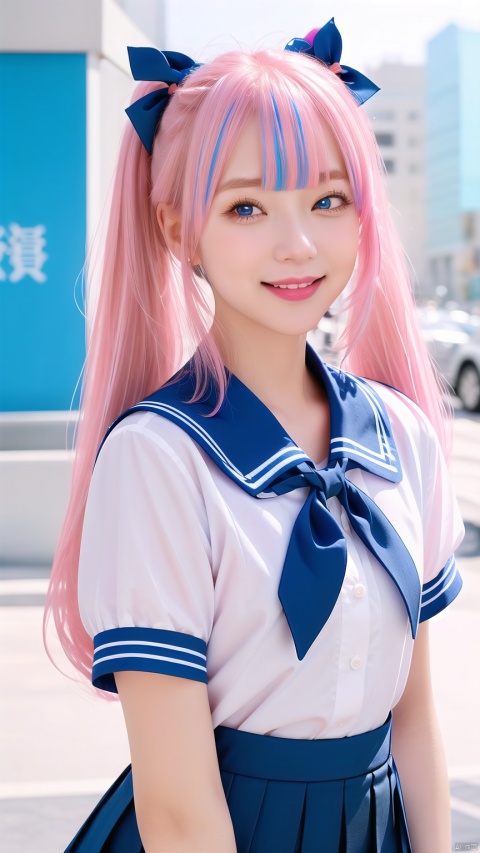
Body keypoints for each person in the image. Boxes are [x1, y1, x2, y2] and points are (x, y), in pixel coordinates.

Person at [45, 19, 464, 853]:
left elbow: (414, 719)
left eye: (327, 199)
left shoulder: (401, 435)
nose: (297, 242)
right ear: (176, 229)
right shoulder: (161, 457)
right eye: (246, 206)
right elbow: (175, 805)